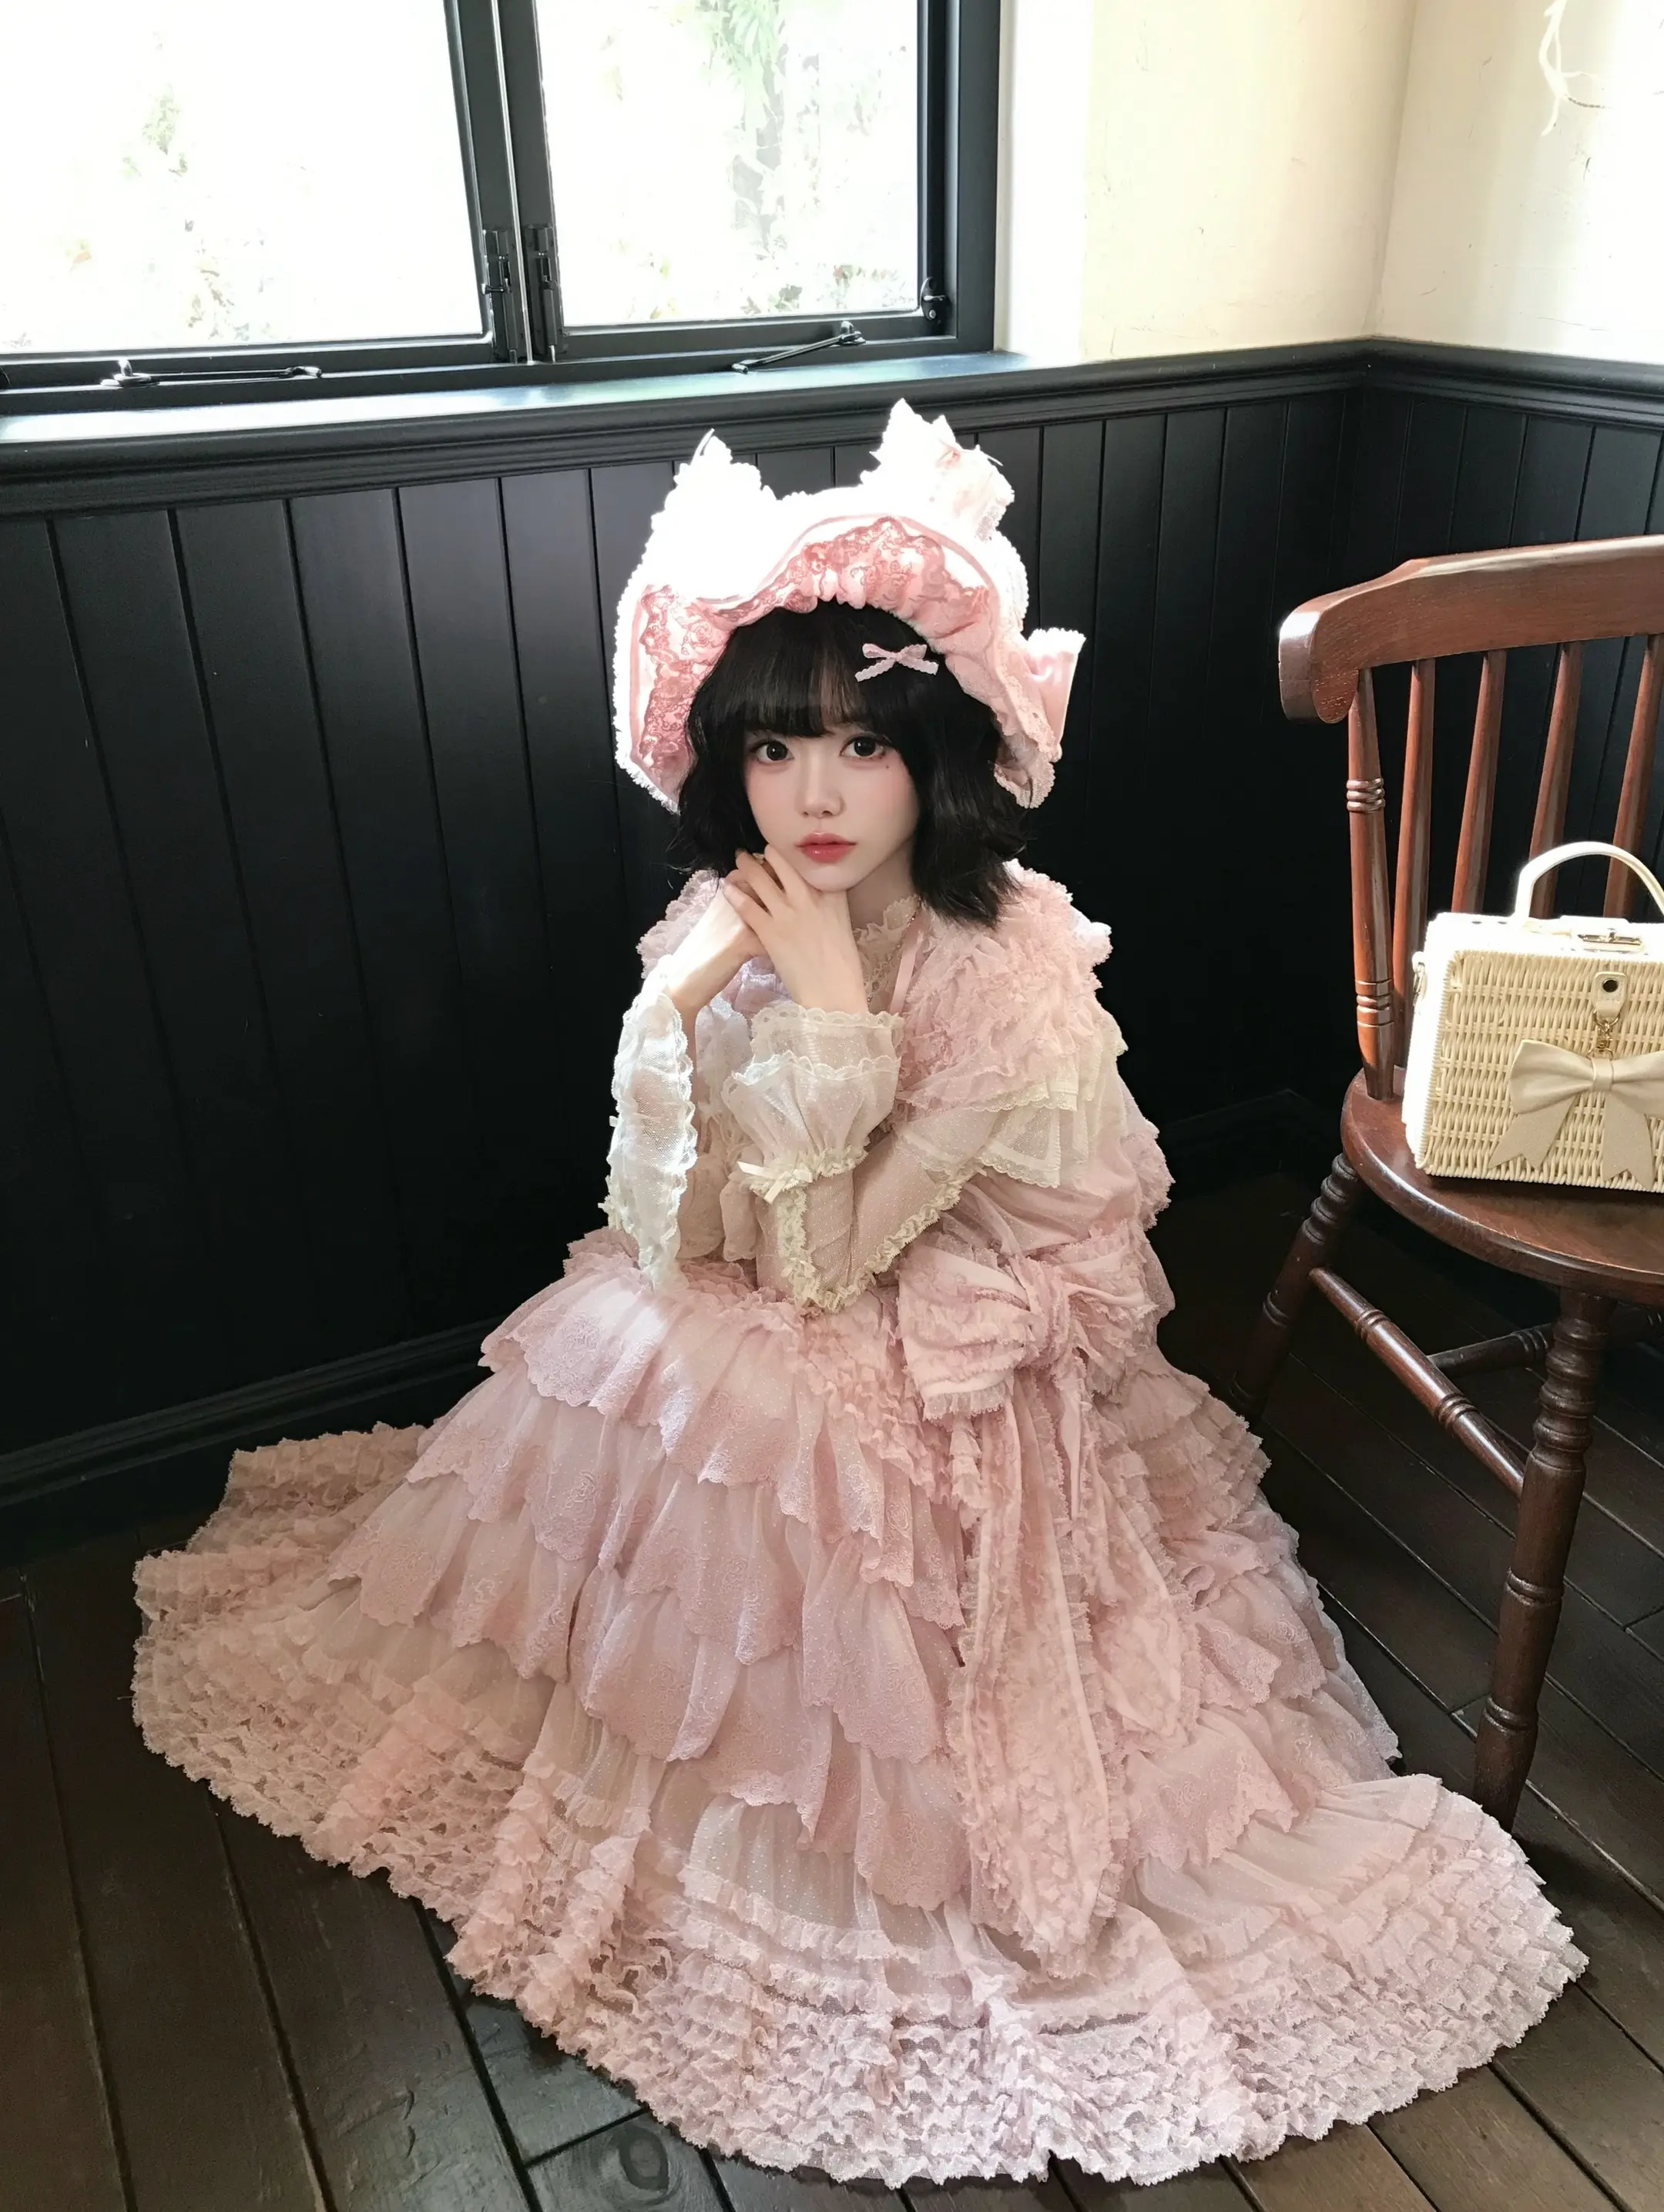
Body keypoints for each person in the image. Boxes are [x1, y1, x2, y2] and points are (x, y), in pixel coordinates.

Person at [132, 400, 1582, 2188]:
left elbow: (832, 1264)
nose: (813, 796)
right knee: (625, 1347)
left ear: (934, 759)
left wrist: (829, 1013)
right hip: (811, 1236)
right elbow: (680, 1222)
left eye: (861, 747)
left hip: (950, 1286)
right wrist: (717, 1011)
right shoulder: (741, 907)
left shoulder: (999, 970)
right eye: (774, 748)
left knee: (788, 1437)